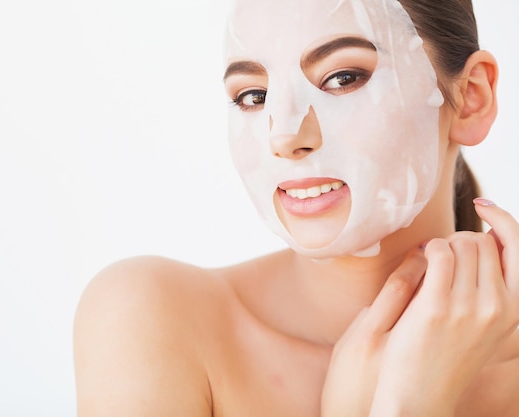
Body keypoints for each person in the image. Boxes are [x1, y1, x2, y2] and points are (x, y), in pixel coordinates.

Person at [73, 0, 519, 415]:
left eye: (343, 77)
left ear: (472, 97)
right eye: (253, 95)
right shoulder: (153, 318)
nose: (283, 136)